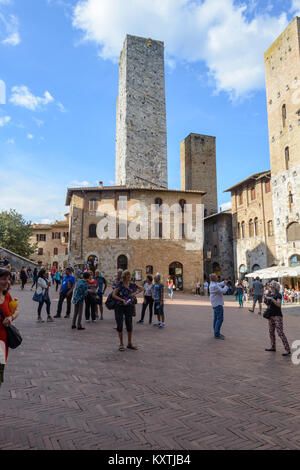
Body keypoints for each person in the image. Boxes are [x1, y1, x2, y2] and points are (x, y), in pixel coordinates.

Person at [112, 270, 143, 351]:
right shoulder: (120, 284)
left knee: (129, 324)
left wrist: (134, 293)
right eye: (128, 275)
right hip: (119, 306)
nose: (129, 277)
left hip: (129, 306)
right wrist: (122, 300)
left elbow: (141, 288)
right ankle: (121, 344)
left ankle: (129, 343)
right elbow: (113, 295)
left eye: (130, 275)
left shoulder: (132, 285)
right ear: (124, 276)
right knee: (120, 324)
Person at [0, 268, 19, 388]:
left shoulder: (7, 296)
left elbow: (16, 312)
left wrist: (11, 318)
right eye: (3, 279)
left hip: (3, 343)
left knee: (0, 374)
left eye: (8, 279)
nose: (6, 282)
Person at [264, 281, 291, 356]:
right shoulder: (269, 294)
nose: (270, 285)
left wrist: (272, 299)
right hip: (271, 315)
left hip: (277, 316)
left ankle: (287, 349)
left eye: (272, 284)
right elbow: (268, 305)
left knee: (280, 332)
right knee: (271, 332)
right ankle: (273, 347)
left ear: (275, 286)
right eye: (270, 284)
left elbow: (279, 305)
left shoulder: (278, 295)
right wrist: (266, 300)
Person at [209, 274, 228, 340]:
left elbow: (219, 284)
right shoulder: (214, 286)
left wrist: (223, 282)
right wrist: (226, 285)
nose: (217, 277)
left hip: (215, 303)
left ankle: (216, 332)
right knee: (220, 319)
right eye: (216, 277)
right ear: (214, 278)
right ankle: (217, 334)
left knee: (216, 318)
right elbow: (223, 291)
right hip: (217, 304)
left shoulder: (213, 284)